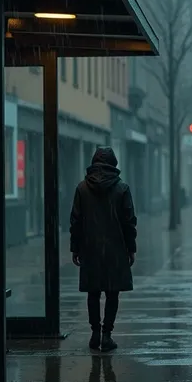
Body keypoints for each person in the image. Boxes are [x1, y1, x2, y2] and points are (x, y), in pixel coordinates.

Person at [70, 147, 137, 352]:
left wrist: (76, 248)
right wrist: (130, 248)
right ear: (114, 164)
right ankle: (107, 335)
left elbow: (76, 221)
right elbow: (129, 222)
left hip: (90, 248)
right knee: (112, 292)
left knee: (93, 292)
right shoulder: (122, 189)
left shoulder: (82, 188)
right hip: (115, 248)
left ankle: (95, 333)